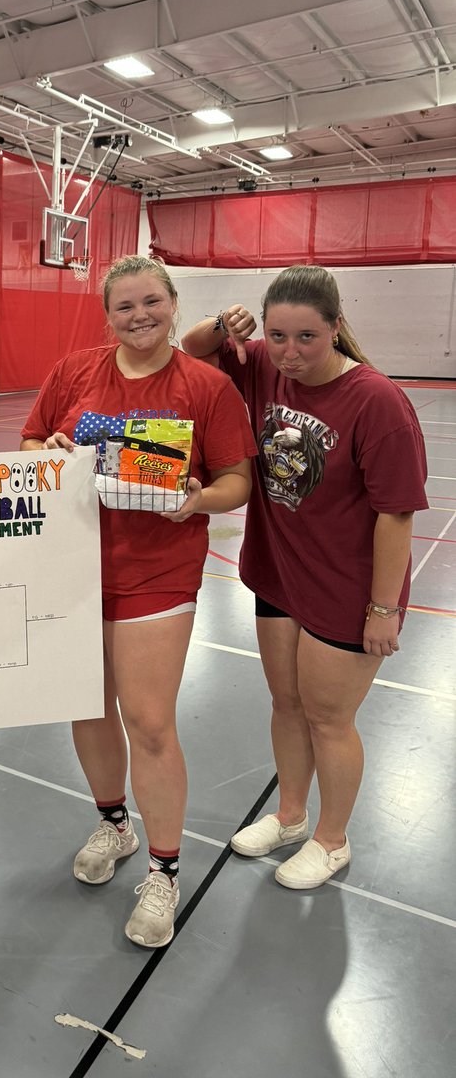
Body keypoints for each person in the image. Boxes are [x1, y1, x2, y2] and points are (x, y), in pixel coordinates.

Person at [20, 255, 255, 948]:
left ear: (174, 303)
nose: (139, 316)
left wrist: (198, 500)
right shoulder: (72, 373)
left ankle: (164, 867)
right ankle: (115, 825)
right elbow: (31, 440)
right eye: (124, 306)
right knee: (87, 707)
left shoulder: (206, 386)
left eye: (151, 301)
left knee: (150, 723)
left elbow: (237, 479)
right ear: (107, 315)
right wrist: (48, 450)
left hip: (157, 573)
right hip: (73, 569)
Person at [181, 265, 428, 889]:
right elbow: (191, 350)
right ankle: (291, 818)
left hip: (347, 590)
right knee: (286, 705)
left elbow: (395, 516)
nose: (290, 353)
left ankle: (332, 839)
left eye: (308, 338)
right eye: (277, 334)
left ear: (337, 329)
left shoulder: (377, 401)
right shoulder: (263, 364)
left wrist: (382, 611)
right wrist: (224, 322)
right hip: (279, 575)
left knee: (328, 719)